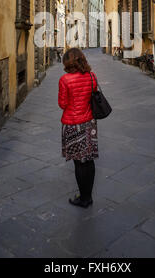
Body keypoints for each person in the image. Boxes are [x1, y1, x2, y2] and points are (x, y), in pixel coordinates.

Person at [58, 48, 98, 208]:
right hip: (89, 123)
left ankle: (83, 198)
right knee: (88, 160)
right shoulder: (91, 76)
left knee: (78, 163)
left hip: (72, 124)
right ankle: (88, 196)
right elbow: (93, 94)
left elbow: (63, 104)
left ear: (67, 63)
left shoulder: (64, 80)